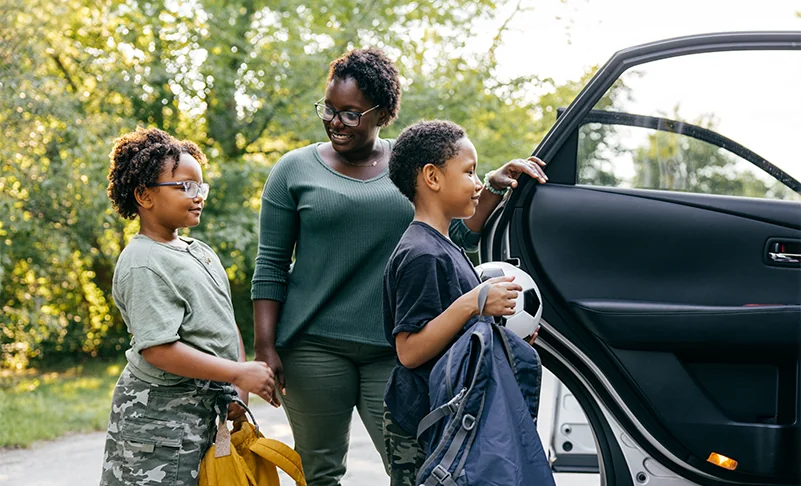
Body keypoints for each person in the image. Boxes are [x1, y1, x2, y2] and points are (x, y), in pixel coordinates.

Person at [251, 48, 547, 486]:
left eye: (350, 114)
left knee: (419, 464)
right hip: (313, 348)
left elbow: (453, 238)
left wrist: (492, 188)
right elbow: (271, 265)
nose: (335, 122)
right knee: (320, 472)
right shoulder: (293, 170)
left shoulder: (412, 168)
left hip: (392, 350)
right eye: (329, 110)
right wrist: (265, 346)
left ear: (382, 113)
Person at [101, 127, 275, 486]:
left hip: (198, 415)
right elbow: (159, 349)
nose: (198, 196)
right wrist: (237, 373)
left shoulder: (200, 252)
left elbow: (224, 325)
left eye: (200, 187)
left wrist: (234, 392)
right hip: (156, 426)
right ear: (144, 195)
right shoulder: (143, 261)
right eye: (184, 186)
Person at [382, 120, 544, 485]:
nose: (476, 183)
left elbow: (458, 333)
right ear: (432, 177)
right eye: (469, 172)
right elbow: (409, 350)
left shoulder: (443, 245)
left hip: (446, 413)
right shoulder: (421, 254)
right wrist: (472, 303)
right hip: (421, 424)